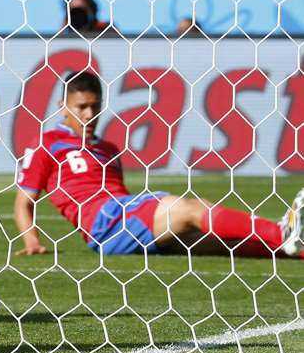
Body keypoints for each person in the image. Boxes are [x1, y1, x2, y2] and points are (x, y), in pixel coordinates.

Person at [15, 72, 304, 259]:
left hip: (124, 214)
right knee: (192, 209)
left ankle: (294, 248)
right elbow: (24, 201)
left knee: (216, 241)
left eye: (95, 105)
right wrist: (32, 241)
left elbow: (120, 193)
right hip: (104, 222)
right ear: (62, 106)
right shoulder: (47, 142)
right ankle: (279, 231)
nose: (89, 114)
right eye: (81, 107)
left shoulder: (108, 149)